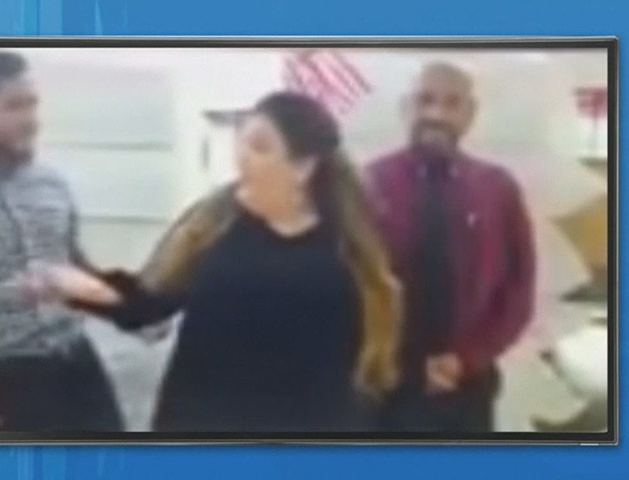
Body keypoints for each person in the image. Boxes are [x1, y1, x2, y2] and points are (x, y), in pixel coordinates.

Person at [45, 92, 403, 432]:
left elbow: (369, 358)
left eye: (259, 147)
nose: (241, 157)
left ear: (303, 167)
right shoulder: (215, 219)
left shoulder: (348, 248)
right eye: (241, 142)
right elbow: (150, 301)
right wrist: (80, 288)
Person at [0, 51, 123, 432]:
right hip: (0, 383)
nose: (31, 120)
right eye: (14, 106)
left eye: (33, 104)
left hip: (80, 368)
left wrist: (136, 305)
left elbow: (76, 266)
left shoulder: (51, 182)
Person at [366, 63, 536, 432]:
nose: (437, 114)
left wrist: (466, 358)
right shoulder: (370, 183)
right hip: (385, 385)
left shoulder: (497, 188)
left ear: (470, 114)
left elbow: (518, 290)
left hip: (467, 386)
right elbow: (351, 281)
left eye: (452, 103)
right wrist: (392, 359)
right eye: (425, 100)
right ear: (406, 108)